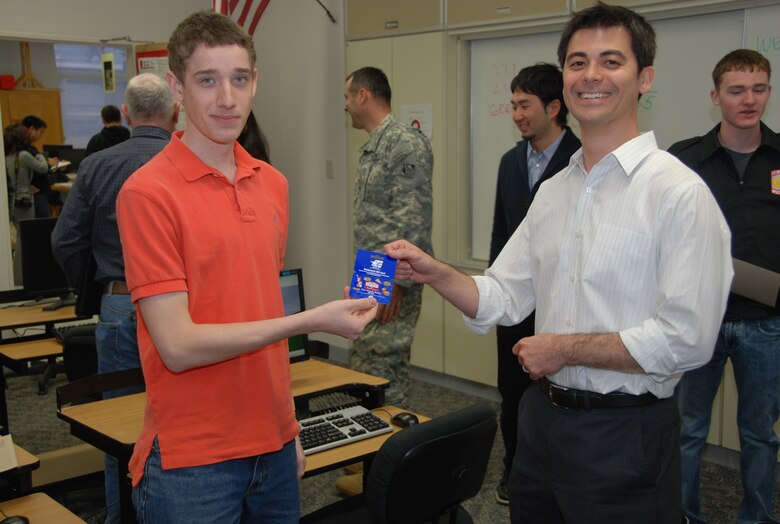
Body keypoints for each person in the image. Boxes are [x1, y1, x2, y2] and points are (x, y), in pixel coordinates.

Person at [384, 3, 733, 523]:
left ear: (645, 79)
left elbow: (687, 337)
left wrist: (564, 349)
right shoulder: (554, 192)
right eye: (577, 62)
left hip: (625, 434)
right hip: (540, 424)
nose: (591, 75)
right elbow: (503, 295)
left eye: (611, 61)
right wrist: (435, 271)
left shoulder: (678, 193)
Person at [114, 11, 377, 523]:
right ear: (176, 87)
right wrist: (312, 320)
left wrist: (289, 426)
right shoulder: (147, 193)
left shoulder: (272, 184)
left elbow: (259, 311)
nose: (226, 98)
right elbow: (179, 345)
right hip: (195, 460)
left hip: (274, 445)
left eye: (238, 79)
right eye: (206, 80)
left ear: (255, 82)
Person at [51, 72, 179, 524]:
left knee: (117, 426)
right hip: (187, 308)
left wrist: (93, 287)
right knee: (186, 420)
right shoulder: (190, 162)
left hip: (120, 303)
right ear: (176, 111)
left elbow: (64, 241)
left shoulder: (97, 165)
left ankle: (117, 515)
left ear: (126, 113)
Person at [669, 49, 780, 524]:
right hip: (700, 319)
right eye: (737, 90)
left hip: (767, 324)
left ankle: (756, 519)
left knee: (760, 434)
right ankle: (682, 517)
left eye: (758, 89)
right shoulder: (685, 160)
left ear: (769, 93)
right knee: (687, 430)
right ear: (716, 96)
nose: (748, 100)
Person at [336, 66, 433, 496]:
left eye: (346, 97)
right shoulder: (375, 146)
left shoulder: (403, 143)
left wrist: (394, 283)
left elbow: (411, 220)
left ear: (362, 95)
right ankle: (374, 458)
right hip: (371, 273)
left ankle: (396, 472)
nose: (344, 105)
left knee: (386, 368)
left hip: (391, 277)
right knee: (366, 365)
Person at [489, 62, 581, 506]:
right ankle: (514, 470)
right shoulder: (510, 163)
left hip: (561, 312)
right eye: (513, 105)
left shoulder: (583, 160)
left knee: (556, 400)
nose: (517, 114)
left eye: (525, 105)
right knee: (512, 394)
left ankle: (558, 478)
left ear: (553, 107)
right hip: (515, 309)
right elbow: (500, 236)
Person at [4, 123, 49, 285]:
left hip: (11, 203)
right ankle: (20, 279)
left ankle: (16, 277)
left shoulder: (7, 156)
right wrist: (39, 154)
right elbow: (43, 168)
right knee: (24, 242)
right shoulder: (23, 155)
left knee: (18, 240)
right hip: (25, 203)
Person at [21, 115, 58, 218]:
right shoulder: (25, 149)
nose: (40, 135)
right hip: (37, 192)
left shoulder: (28, 147)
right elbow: (39, 169)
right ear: (32, 129)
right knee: (41, 224)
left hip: (37, 191)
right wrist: (47, 163)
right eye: (40, 132)